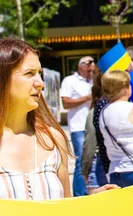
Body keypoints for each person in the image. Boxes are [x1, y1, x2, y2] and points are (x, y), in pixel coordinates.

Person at [0, 38, 116, 200]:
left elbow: (66, 206)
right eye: (29, 74)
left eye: (40, 74)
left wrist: (92, 201)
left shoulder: (53, 139)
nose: (40, 83)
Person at [60, 55, 95, 197]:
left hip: (93, 126)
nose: (91, 69)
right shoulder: (70, 81)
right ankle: (80, 194)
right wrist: (86, 98)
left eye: (93, 66)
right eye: (88, 65)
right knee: (81, 160)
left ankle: (90, 189)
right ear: (81, 66)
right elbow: (66, 103)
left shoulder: (94, 82)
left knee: (92, 160)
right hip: (78, 126)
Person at [81, 70, 109, 193]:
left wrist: (85, 169)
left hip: (99, 166)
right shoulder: (132, 109)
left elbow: (90, 143)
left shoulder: (96, 111)